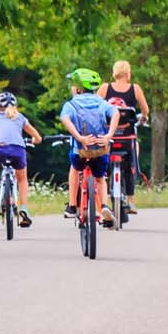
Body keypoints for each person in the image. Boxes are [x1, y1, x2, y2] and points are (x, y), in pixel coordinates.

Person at [59, 68, 119, 227]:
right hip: (100, 149)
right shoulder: (101, 102)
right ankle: (104, 206)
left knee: (74, 168)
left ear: (78, 89)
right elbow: (116, 113)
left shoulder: (71, 104)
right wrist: (109, 135)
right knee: (100, 178)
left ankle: (72, 206)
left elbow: (65, 119)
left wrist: (79, 137)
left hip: (80, 150)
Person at [0, 91, 42, 228]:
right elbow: (38, 137)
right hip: (18, 151)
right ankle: (24, 208)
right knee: (22, 180)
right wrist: (34, 140)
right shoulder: (20, 117)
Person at [98, 60, 150, 216]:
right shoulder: (135, 89)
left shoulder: (105, 88)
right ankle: (131, 200)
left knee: (102, 166)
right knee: (130, 165)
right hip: (127, 137)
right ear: (128, 74)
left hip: (108, 137)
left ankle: (104, 199)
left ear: (114, 73)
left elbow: (95, 106)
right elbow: (145, 110)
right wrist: (144, 118)